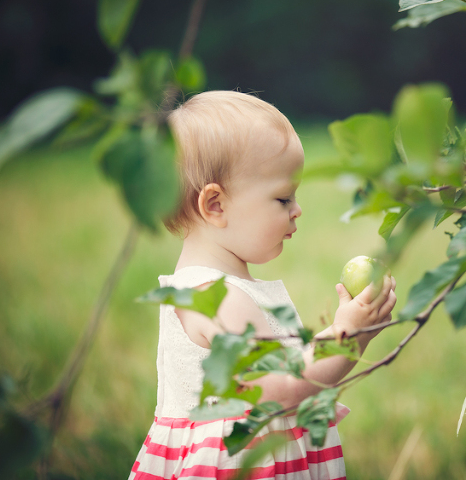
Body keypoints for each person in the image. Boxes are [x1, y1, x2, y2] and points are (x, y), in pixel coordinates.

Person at [128, 91, 397, 480]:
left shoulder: (222, 287)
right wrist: (348, 336)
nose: (297, 209)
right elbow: (284, 388)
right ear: (215, 205)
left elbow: (287, 367)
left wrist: (349, 329)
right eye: (283, 197)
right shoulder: (214, 296)